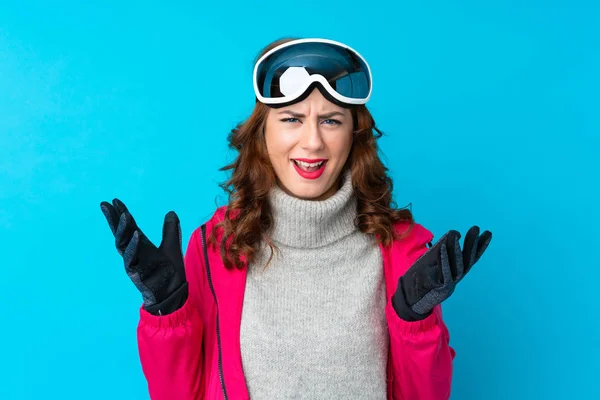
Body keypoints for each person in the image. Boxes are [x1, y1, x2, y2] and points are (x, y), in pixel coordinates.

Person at [100, 37, 492, 400]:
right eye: (291, 118)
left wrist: (415, 321)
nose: (312, 142)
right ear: (262, 134)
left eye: (331, 120)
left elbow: (426, 395)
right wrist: (168, 314)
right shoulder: (216, 244)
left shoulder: (400, 249)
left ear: (354, 134)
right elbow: (177, 394)